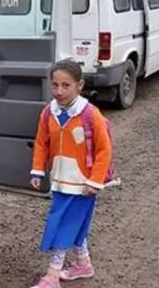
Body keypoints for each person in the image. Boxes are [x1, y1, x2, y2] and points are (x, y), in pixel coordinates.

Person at [29, 60, 113, 288]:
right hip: (60, 181)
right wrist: (37, 170)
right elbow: (41, 143)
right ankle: (83, 264)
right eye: (55, 85)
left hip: (83, 185)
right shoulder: (49, 113)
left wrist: (95, 181)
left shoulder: (90, 114)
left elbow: (104, 150)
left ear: (80, 85)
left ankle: (52, 275)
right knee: (75, 225)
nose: (59, 91)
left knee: (62, 224)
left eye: (66, 85)